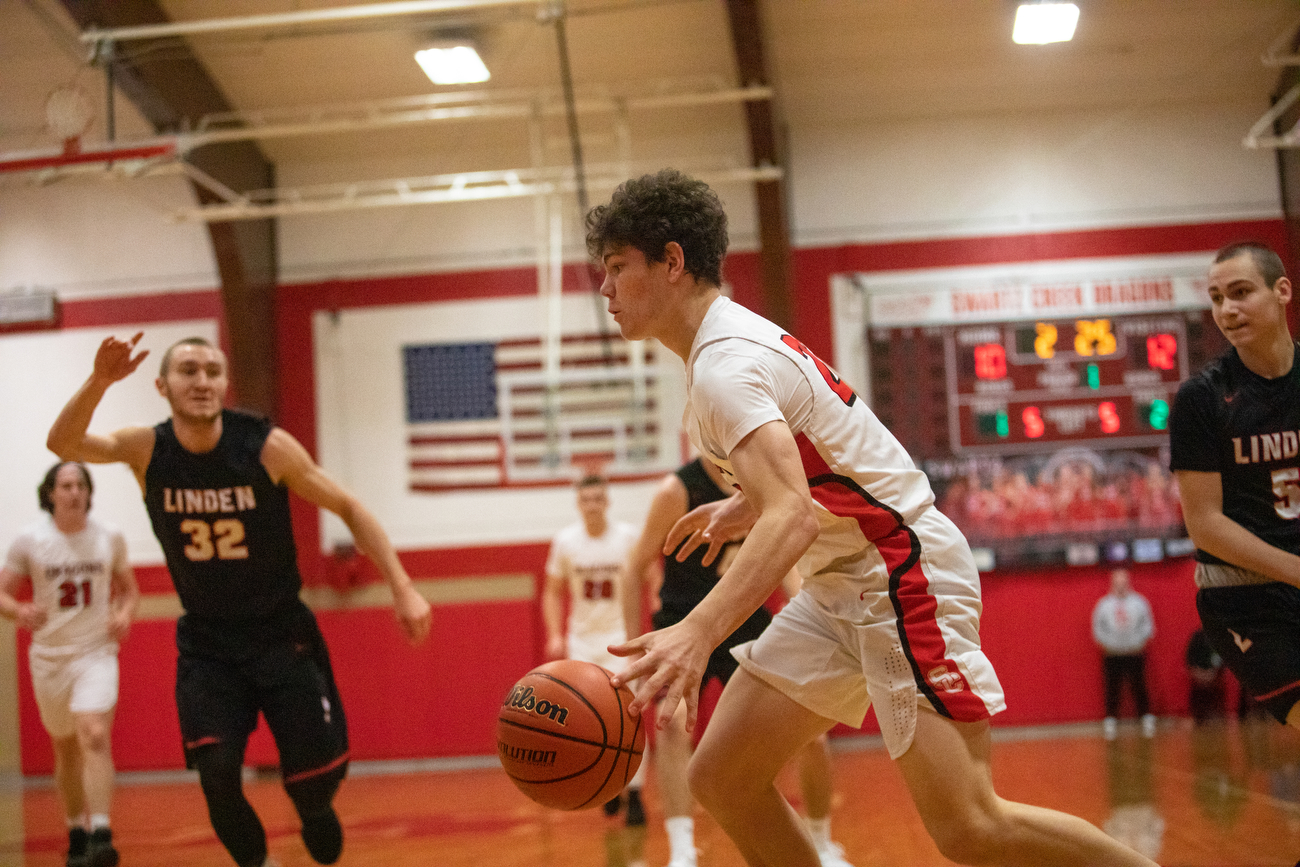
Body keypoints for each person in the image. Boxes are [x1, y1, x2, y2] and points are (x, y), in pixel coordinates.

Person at [587, 169, 1159, 867]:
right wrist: (749, 502)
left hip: (898, 568)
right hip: (844, 578)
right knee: (721, 775)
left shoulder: (724, 367)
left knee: (972, 826)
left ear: (671, 262)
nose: (606, 290)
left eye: (617, 269)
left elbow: (792, 517)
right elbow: (819, 460)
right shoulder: (726, 349)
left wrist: (698, 631)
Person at [45, 333, 432, 867]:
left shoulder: (264, 446)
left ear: (225, 384)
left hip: (281, 633)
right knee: (217, 775)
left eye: (212, 371)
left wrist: (402, 585)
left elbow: (347, 505)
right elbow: (63, 445)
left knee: (314, 780)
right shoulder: (147, 449)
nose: (202, 381)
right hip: (209, 642)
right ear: (162, 385)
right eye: (188, 371)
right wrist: (100, 381)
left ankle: (315, 810)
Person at [622, 456, 853, 867]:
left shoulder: (762, 479)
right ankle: (682, 850)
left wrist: (802, 605)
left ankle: (822, 842)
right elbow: (633, 570)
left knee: (812, 734)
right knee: (671, 724)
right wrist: (633, 644)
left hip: (743, 619)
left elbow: (786, 554)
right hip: (683, 622)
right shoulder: (677, 491)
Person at [1169, 240, 1300, 735]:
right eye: (1217, 297)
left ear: (1281, 291)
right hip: (1245, 600)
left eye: (1241, 292)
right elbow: (1205, 527)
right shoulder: (1202, 398)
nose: (1227, 309)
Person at [0, 461, 139, 867]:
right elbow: (3, 595)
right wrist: (18, 611)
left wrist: (125, 614)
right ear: (51, 493)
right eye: (66, 485)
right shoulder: (29, 540)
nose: (74, 492)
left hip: (95, 652)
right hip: (49, 657)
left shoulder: (109, 536)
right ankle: (75, 827)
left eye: (80, 484)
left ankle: (101, 831)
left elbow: (129, 590)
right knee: (65, 745)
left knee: (93, 733)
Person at [543, 473, 648, 827]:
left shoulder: (628, 538)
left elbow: (653, 578)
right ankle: (607, 789)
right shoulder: (565, 542)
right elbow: (551, 591)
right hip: (582, 640)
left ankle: (635, 792)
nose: (592, 505)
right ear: (578, 503)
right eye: (586, 499)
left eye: (597, 499)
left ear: (607, 501)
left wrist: (657, 613)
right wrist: (555, 634)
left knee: (629, 715)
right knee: (589, 719)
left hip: (621, 637)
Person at [1091, 568, 1156, 739]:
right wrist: (1106, 644)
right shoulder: (1104, 605)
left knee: (1139, 686)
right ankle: (1111, 720)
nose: (1121, 586)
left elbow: (1148, 625)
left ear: (1128, 582)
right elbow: (1097, 628)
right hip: (1112, 654)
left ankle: (1146, 718)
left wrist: (1140, 642)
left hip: (1135, 652)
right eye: (1117, 583)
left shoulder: (1139, 602)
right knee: (1112, 688)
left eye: (1123, 582)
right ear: (1112, 583)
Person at [1185, 628, 1227, 724]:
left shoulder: (1220, 639)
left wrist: (1213, 674)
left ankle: (1215, 716)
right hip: (1198, 676)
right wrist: (1199, 673)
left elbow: (1224, 661)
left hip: (1215, 677)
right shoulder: (1197, 637)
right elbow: (1189, 659)